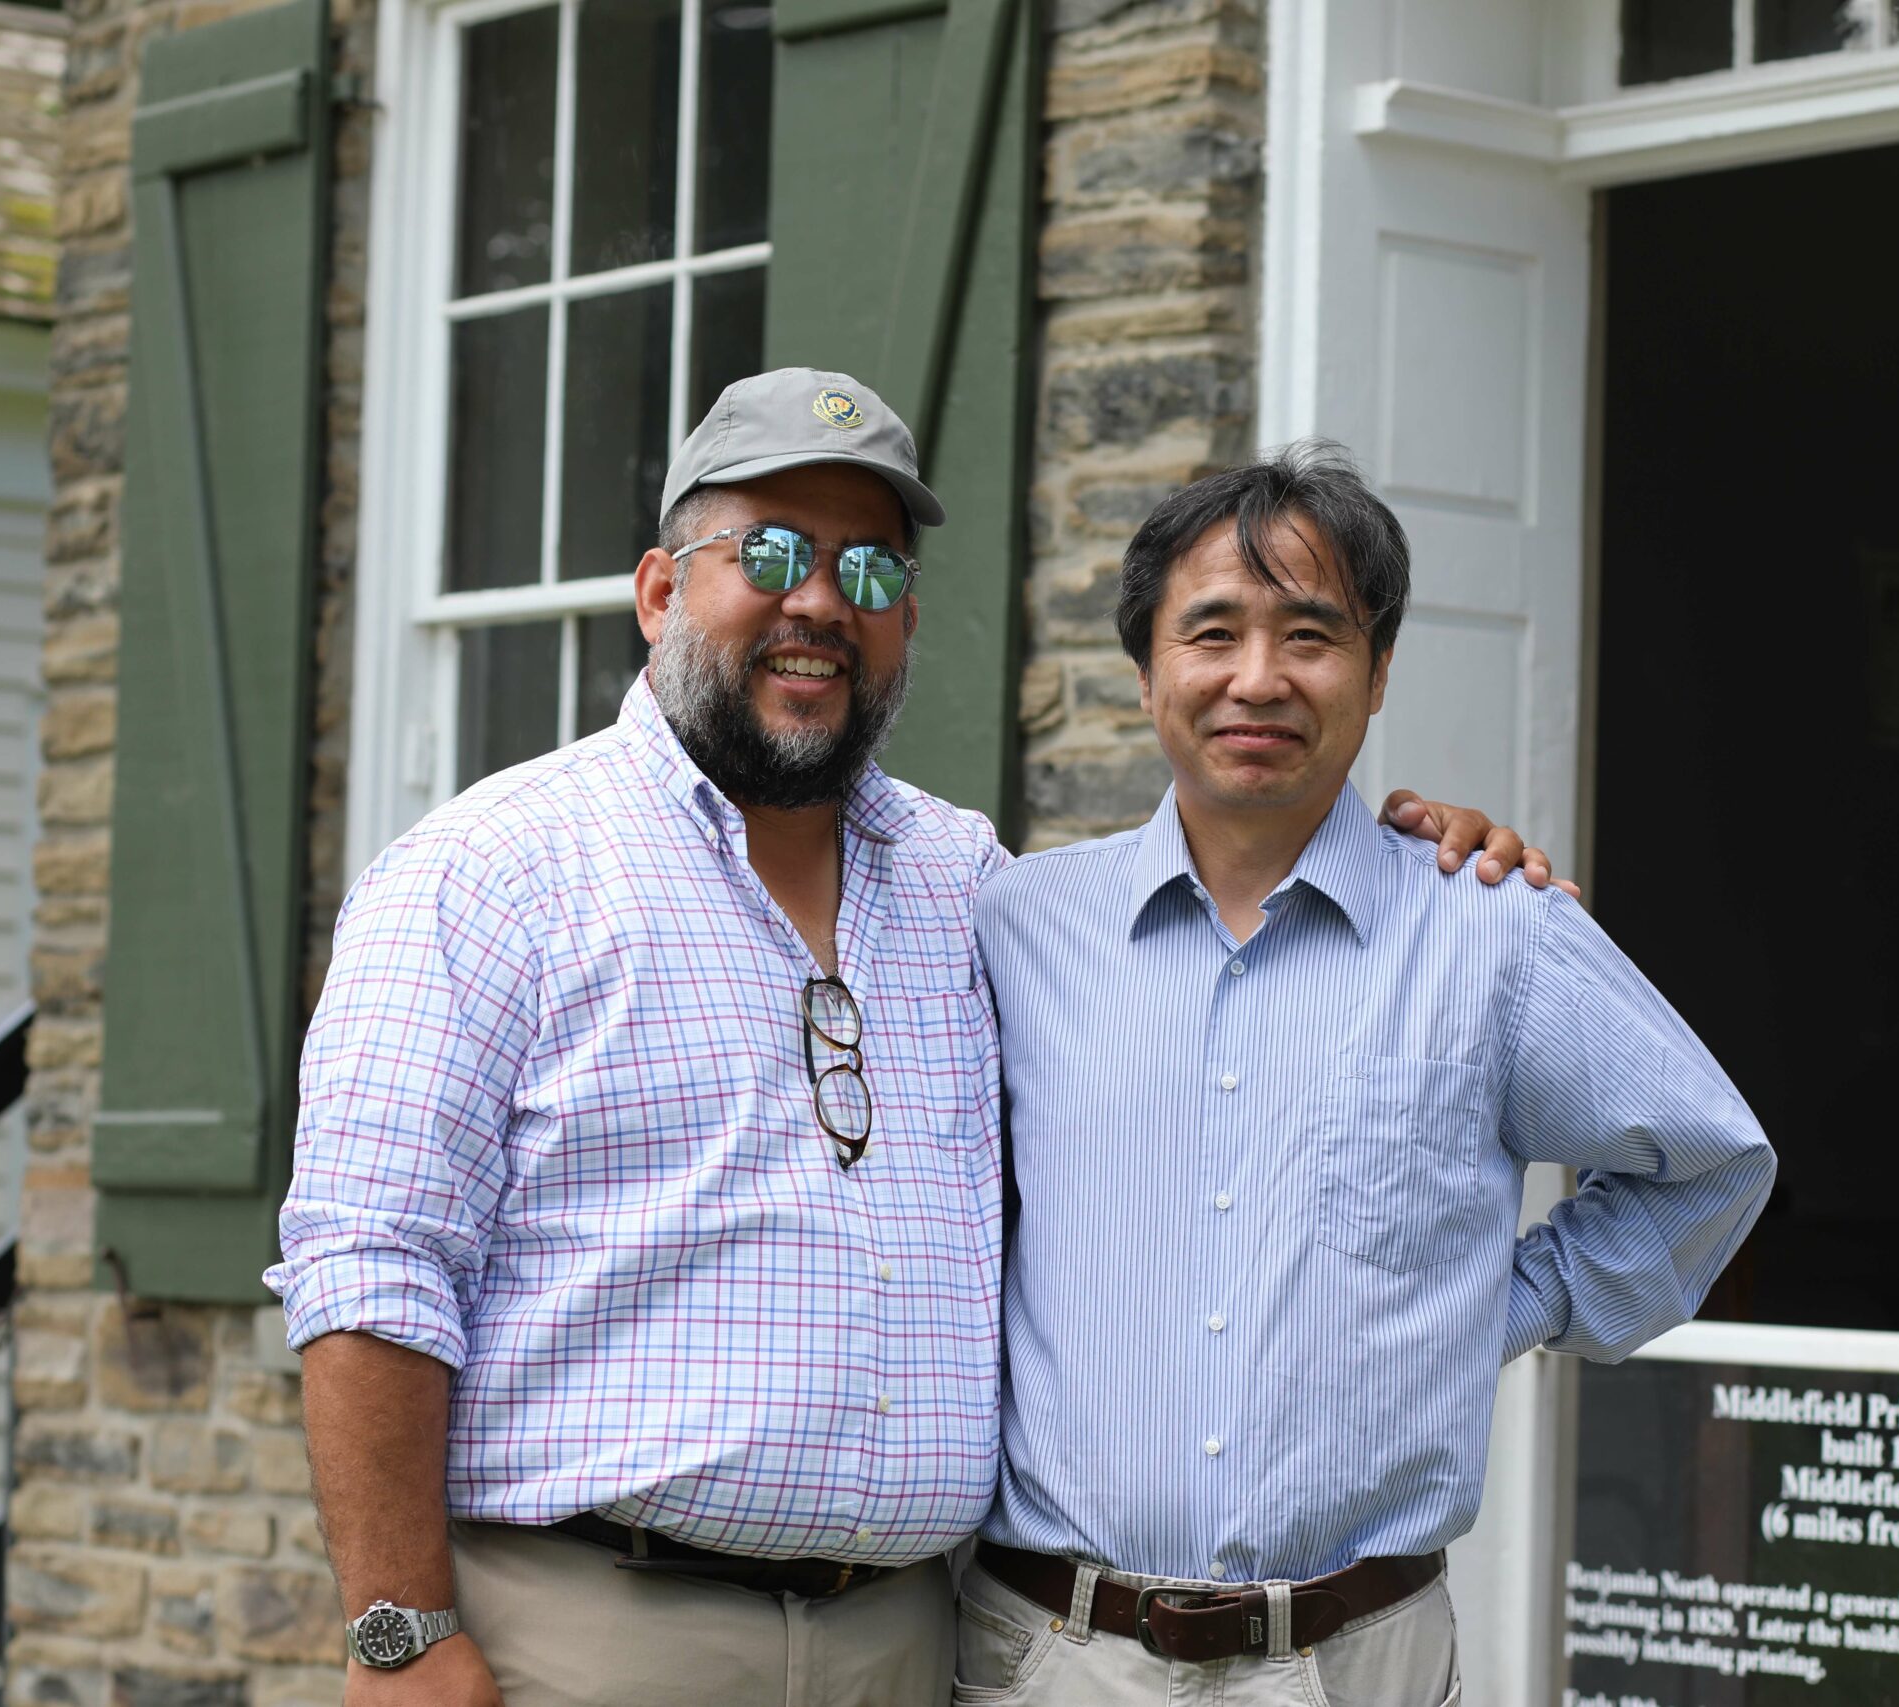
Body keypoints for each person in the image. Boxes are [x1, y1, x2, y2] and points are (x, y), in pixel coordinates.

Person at [266, 372, 1553, 1707]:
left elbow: (1192, 1057)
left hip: (912, 1641)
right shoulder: (487, 872)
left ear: (907, 622)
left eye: (870, 568)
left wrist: (1402, 865)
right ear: (658, 592)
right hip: (591, 1631)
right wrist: (403, 1634)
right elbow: (371, 1268)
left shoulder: (966, 880)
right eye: (769, 551)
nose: (821, 598)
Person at [960, 444, 1777, 1705]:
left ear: (1378, 670)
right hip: (1049, 1663)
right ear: (1144, 673)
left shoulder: (1493, 931)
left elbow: (1707, 1165)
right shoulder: (1014, 933)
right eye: (1212, 633)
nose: (1257, 679)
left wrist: (1497, 1308)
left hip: (1356, 1666)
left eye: (1311, 635)